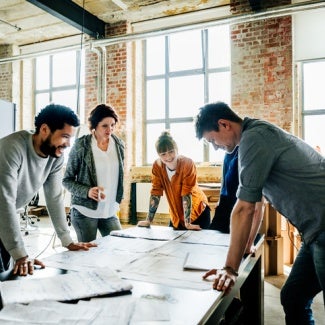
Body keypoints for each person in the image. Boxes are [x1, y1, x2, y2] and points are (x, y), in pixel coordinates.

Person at [195, 101, 325, 324]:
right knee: (293, 296)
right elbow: (257, 203)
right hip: (314, 233)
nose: (215, 147)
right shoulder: (254, 137)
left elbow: (243, 208)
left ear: (224, 124)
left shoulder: (254, 138)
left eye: (212, 140)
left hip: (323, 229)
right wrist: (245, 247)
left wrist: (229, 268)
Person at [0, 104, 97, 276]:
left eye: (70, 139)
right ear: (45, 129)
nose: (68, 144)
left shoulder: (55, 155)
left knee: (6, 275)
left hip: (4, 221)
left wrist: (67, 240)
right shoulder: (12, 148)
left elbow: (54, 197)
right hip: (2, 211)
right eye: (65, 137)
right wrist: (21, 254)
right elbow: (4, 201)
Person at [63, 104, 124, 242]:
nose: (110, 129)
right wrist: (87, 191)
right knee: (87, 256)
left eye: (112, 125)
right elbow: (67, 180)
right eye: (105, 126)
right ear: (94, 126)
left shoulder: (119, 145)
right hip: (85, 211)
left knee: (119, 248)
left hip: (109, 211)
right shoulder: (81, 146)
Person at [137, 131, 210, 230]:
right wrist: (148, 220)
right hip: (176, 215)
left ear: (176, 149)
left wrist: (187, 223)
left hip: (197, 212)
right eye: (163, 154)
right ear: (159, 155)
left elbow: (186, 194)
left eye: (171, 151)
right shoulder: (157, 166)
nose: (168, 157)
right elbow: (156, 192)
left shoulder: (187, 164)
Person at [209, 146, 239, 232]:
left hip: (237, 200)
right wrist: (220, 198)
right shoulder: (227, 152)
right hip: (224, 199)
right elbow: (224, 177)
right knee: (213, 233)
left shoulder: (242, 150)